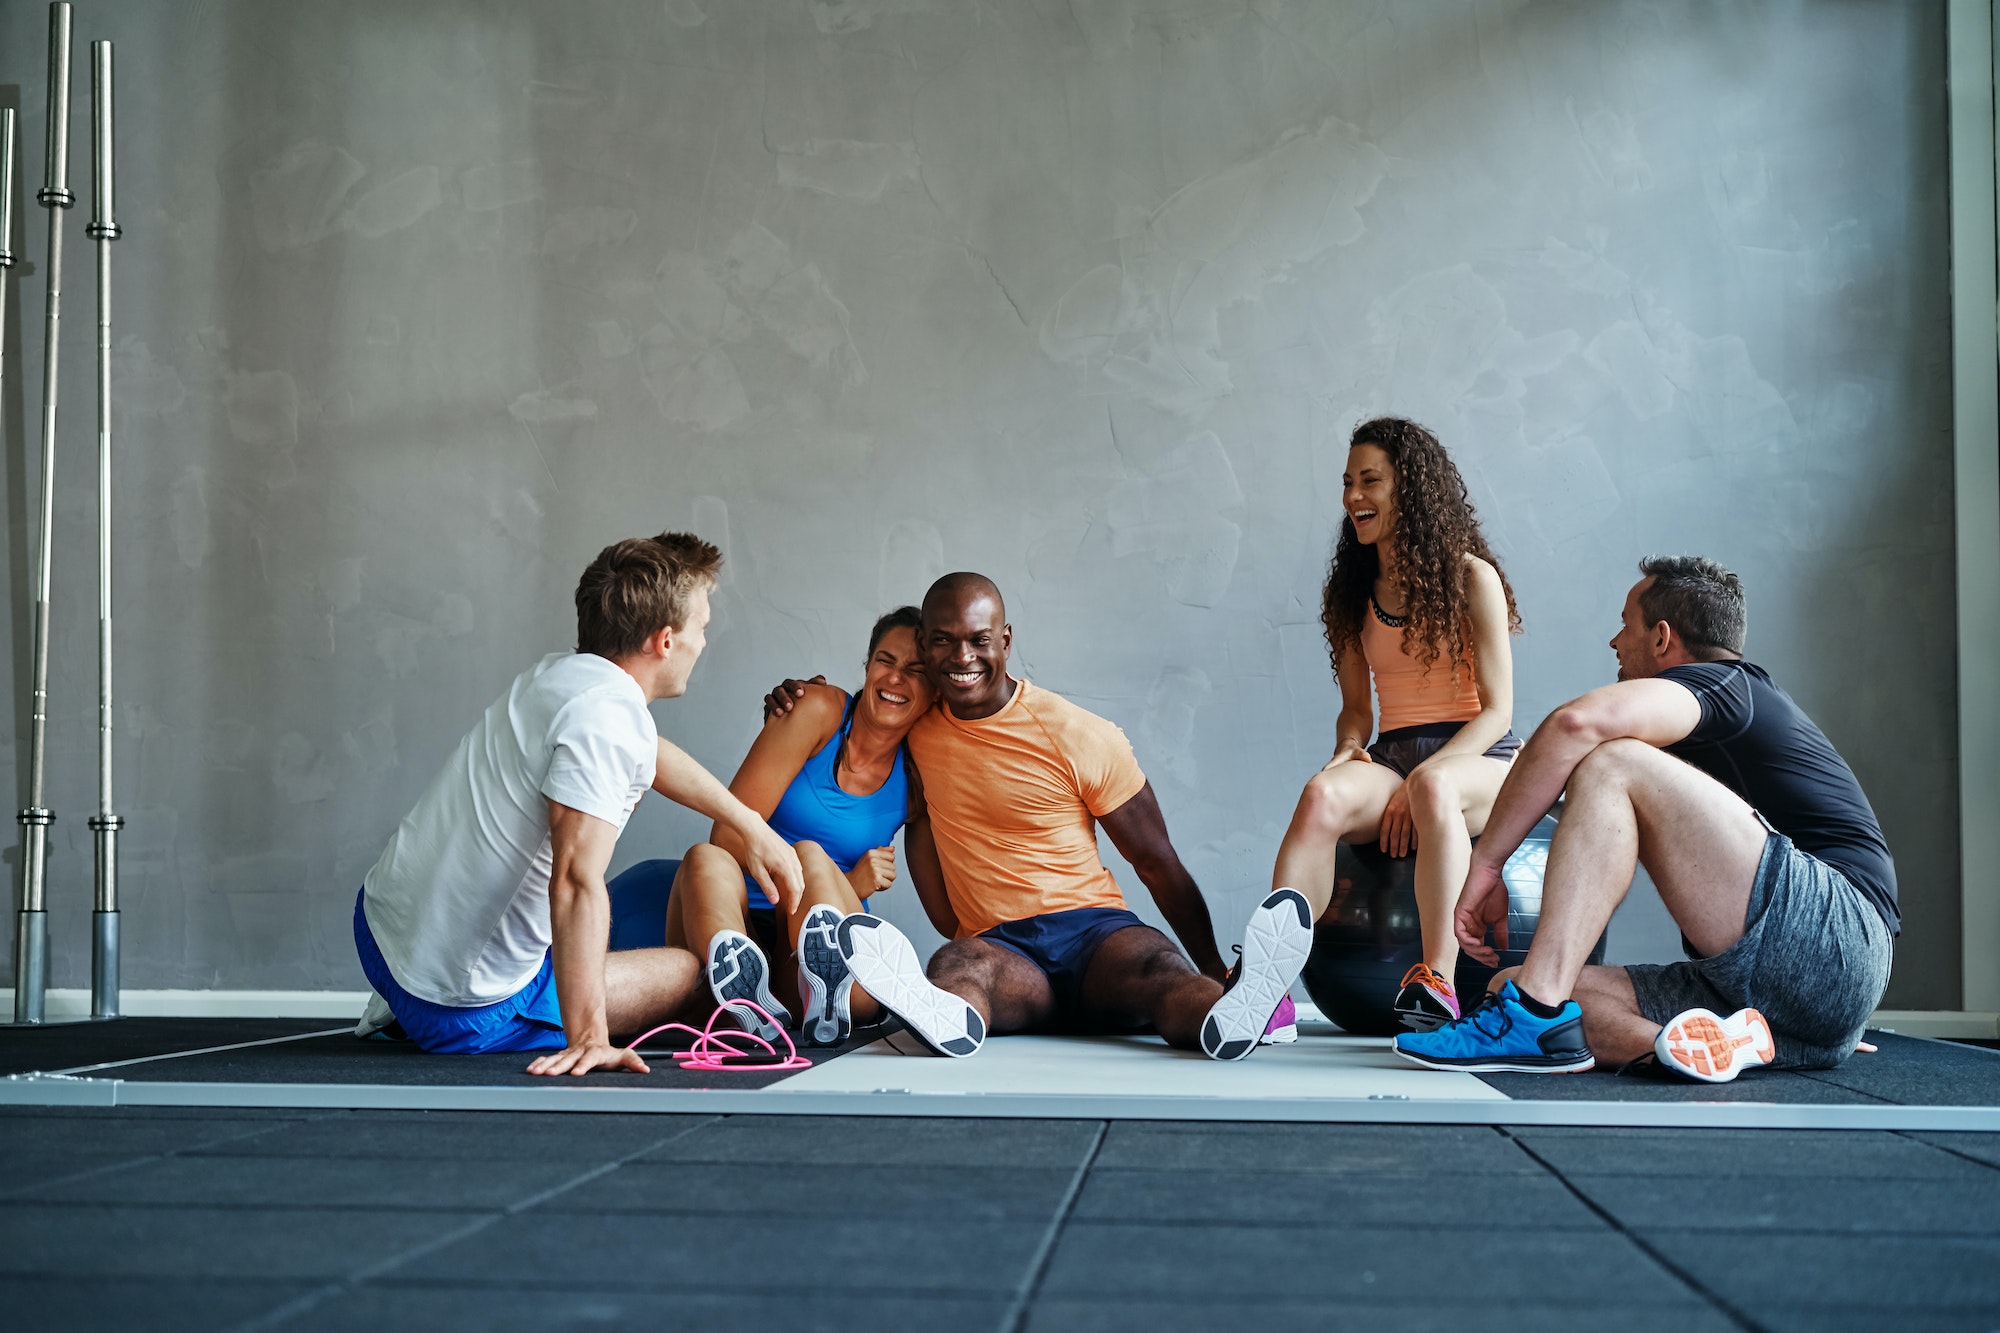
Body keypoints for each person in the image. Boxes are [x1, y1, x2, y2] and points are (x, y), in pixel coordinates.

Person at [1395, 556, 1897, 1081]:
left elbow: (1575, 724)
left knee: (1610, 758)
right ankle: (1708, 1045)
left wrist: (1486, 865)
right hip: (1773, 984)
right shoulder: (1696, 738)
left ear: (1662, 638)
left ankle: (1531, 1013)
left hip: (1838, 938)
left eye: (1624, 624)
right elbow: (1583, 815)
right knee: (1507, 984)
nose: (1614, 642)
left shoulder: (1727, 684)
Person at [352, 533, 803, 1077]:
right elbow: (572, 881)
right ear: (664, 641)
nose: (703, 642)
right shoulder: (606, 724)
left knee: (617, 919)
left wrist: (748, 823)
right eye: (701, 628)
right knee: (690, 972)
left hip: (380, 932)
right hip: (463, 1006)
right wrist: (591, 1038)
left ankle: (410, 1001)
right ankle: (452, 1012)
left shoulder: (562, 676)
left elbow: (648, 751)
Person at [764, 573, 1255, 1058]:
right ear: (926, 647)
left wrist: (1215, 969)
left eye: (979, 640)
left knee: (1162, 971)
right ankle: (942, 1018)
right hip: (1002, 950)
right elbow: (866, 718)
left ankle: (1231, 1010)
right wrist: (798, 698)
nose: (962, 658)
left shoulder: (1079, 734)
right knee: (957, 967)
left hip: (1095, 935)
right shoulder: (915, 727)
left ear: (1006, 639)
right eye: (943, 642)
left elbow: (1156, 861)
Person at [1204, 418, 1524, 1059]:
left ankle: (1438, 982)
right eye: (1348, 482)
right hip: (1398, 754)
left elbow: (1497, 710)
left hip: (1481, 758)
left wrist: (1422, 781)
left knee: (1434, 787)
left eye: (1369, 480)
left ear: (1412, 487)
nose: (1354, 496)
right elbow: (1357, 712)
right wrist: (1347, 751)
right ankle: (1273, 991)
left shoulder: (1471, 577)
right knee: (1321, 796)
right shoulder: (1352, 594)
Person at [607, 608, 932, 1047]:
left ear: (934, 687)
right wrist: (851, 879)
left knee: (811, 857)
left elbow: (950, 908)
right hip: (743, 920)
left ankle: (821, 989)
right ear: (868, 664)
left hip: (813, 950)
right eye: (886, 661)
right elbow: (726, 836)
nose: (895, 679)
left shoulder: (919, 776)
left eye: (915, 671)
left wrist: (839, 885)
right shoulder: (817, 710)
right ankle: (741, 989)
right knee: (705, 857)